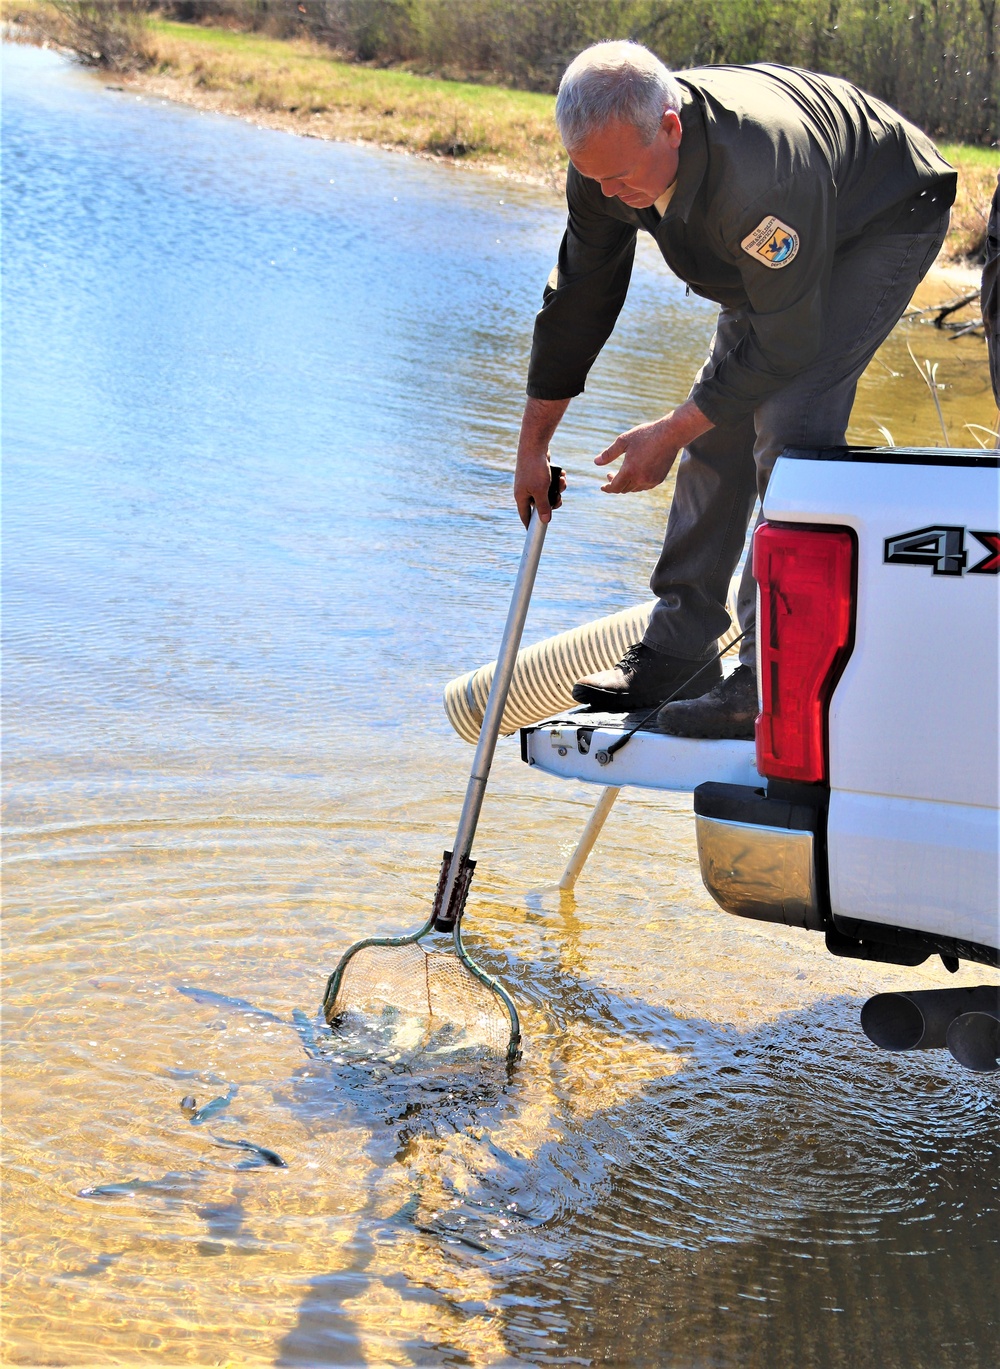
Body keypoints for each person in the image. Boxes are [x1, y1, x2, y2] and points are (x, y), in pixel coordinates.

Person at [514, 42, 956, 737]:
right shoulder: (608, 165)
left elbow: (787, 342)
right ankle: (677, 653)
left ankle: (765, 678)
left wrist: (669, 432)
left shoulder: (759, 179)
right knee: (716, 422)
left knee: (788, 422)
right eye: (591, 178)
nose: (609, 194)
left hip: (881, 214)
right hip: (786, 235)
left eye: (622, 177)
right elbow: (578, 301)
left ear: (670, 127)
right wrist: (532, 446)